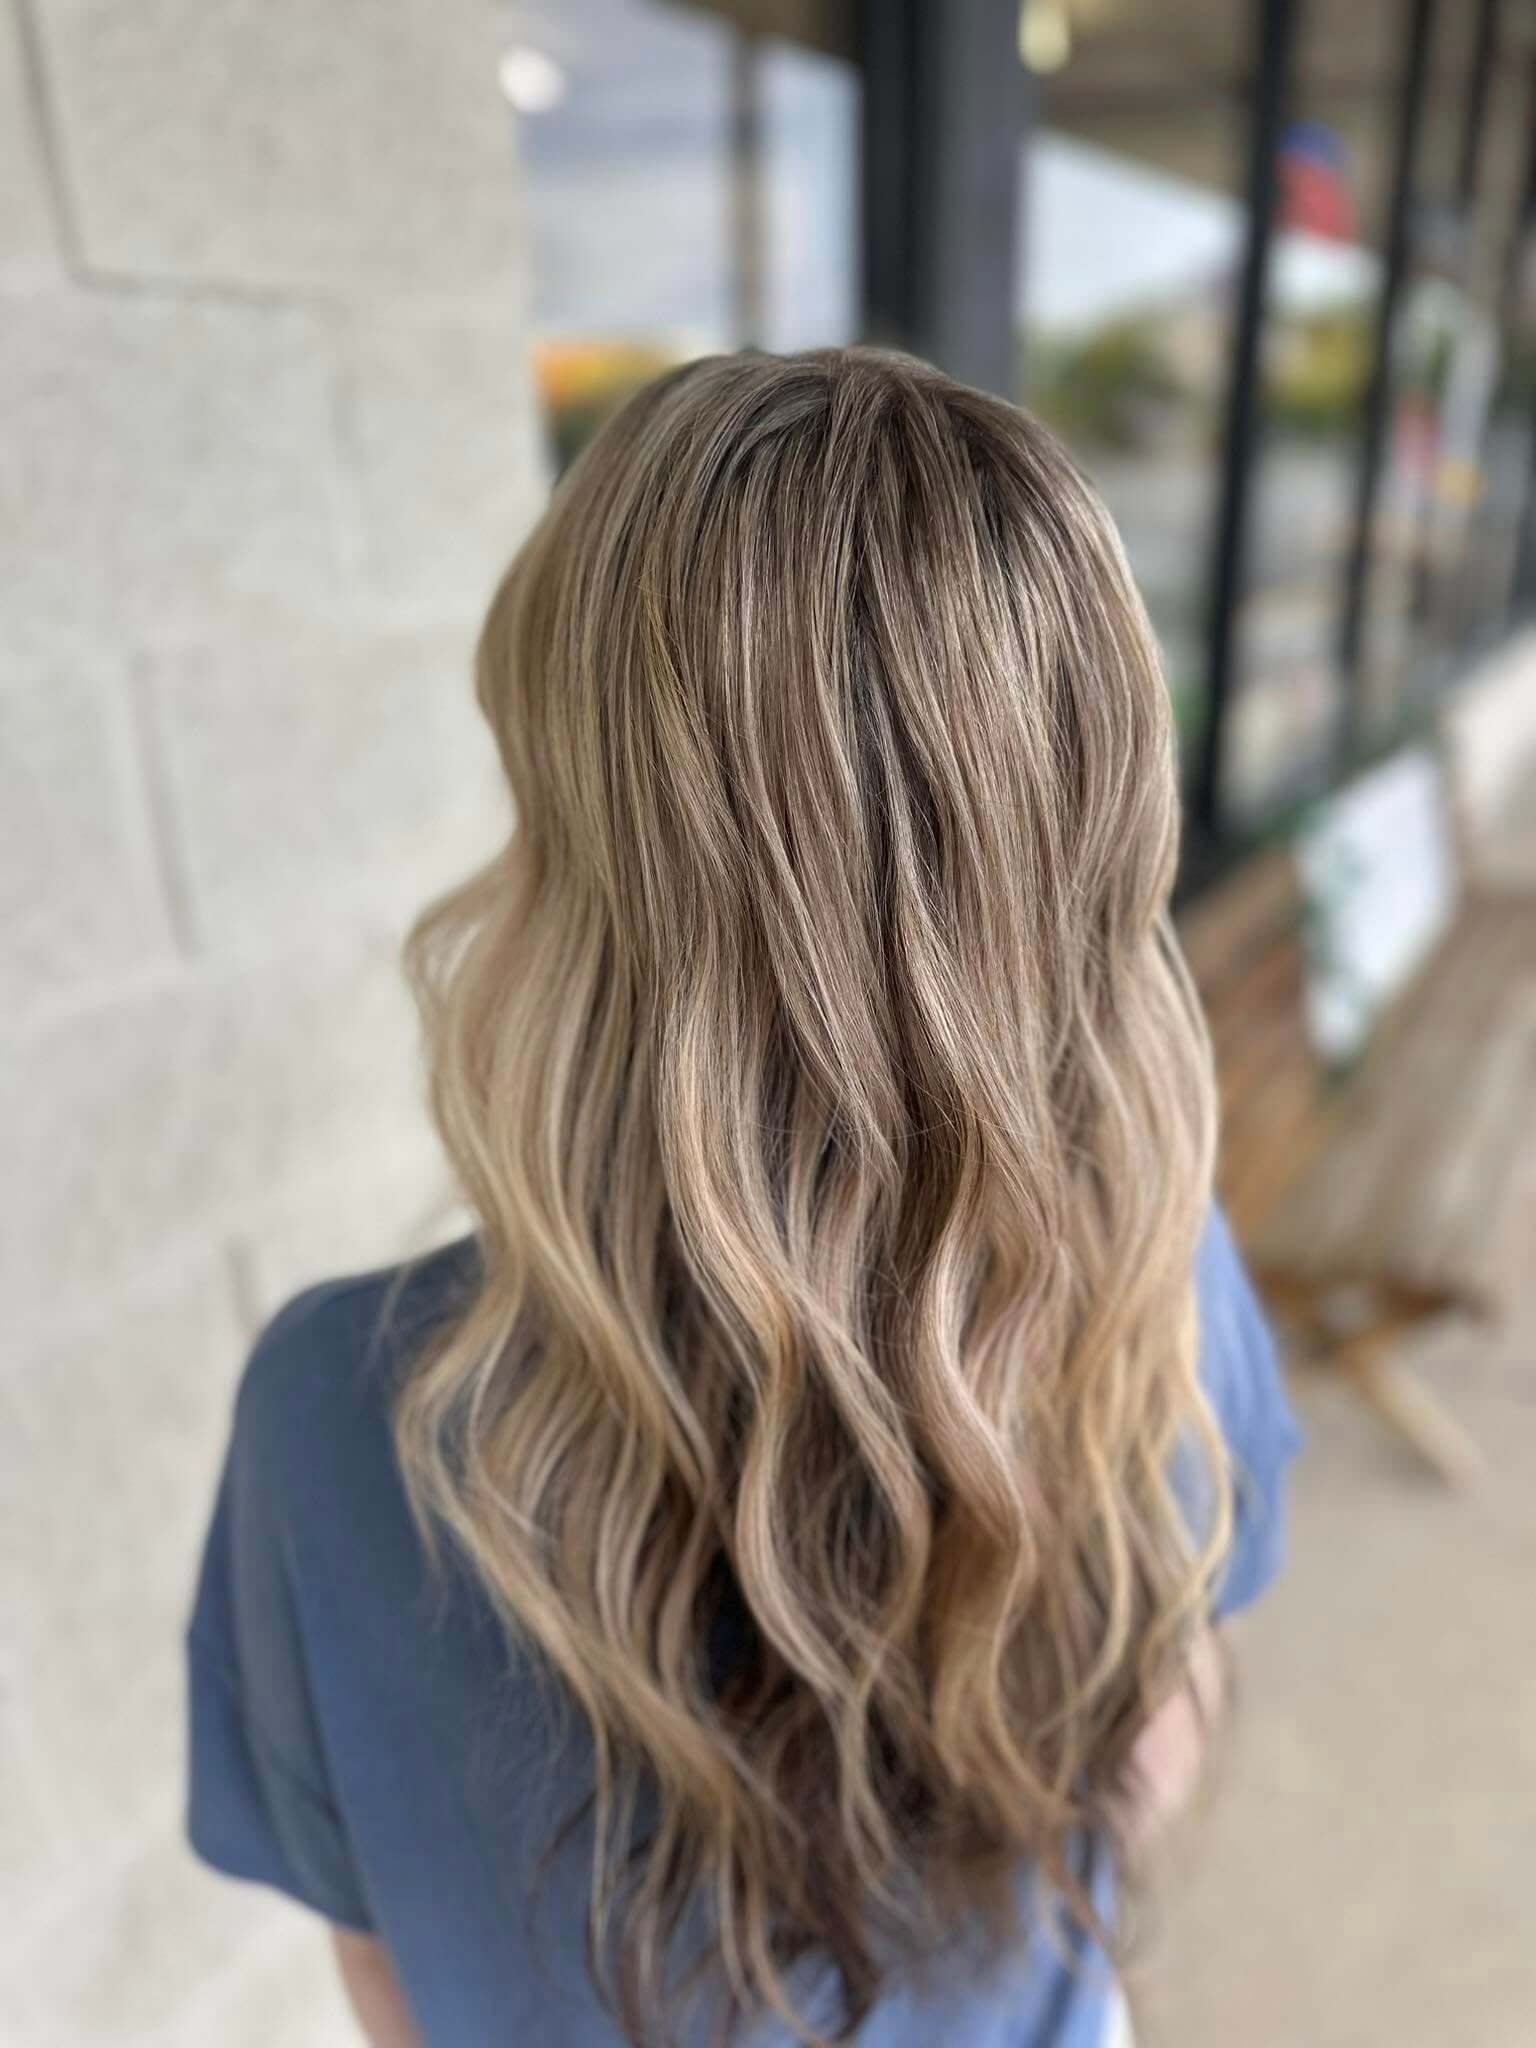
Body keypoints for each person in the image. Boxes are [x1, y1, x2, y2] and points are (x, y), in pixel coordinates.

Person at [183, 347, 1301, 2048]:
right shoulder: (1165, 1287)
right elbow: (1149, 1756)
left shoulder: (338, 1422)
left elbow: (387, 1976)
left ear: (577, 868)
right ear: (1088, 849)